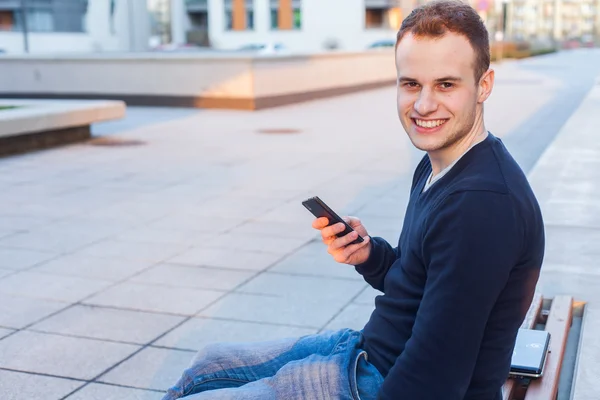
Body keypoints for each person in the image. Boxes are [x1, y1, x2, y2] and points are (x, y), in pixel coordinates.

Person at [162, 1, 544, 399]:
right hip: (369, 349)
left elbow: (435, 376)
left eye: (446, 84)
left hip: (384, 381)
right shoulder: (439, 163)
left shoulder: (482, 205)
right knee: (208, 365)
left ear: (484, 85)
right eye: (411, 83)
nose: (424, 105)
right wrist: (371, 256)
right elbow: (423, 279)